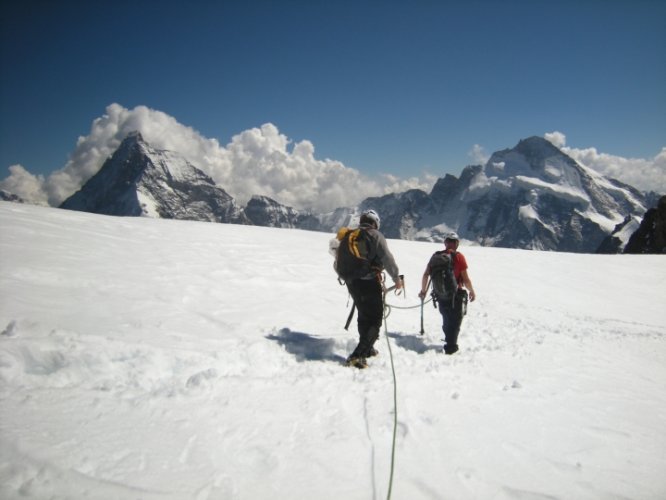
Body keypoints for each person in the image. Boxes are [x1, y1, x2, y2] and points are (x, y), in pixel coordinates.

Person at [343, 209, 403, 368]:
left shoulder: (350, 235)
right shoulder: (375, 235)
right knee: (375, 320)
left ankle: (367, 348)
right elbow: (387, 259)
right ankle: (358, 355)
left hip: (352, 283)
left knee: (363, 315)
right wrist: (396, 278)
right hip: (369, 282)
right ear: (375, 222)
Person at [418, 232, 476, 354]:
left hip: (440, 294)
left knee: (446, 318)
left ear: (445, 243)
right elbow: (465, 279)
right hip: (456, 295)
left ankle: (449, 340)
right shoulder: (459, 257)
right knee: (455, 321)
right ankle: (451, 348)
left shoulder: (436, 256)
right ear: (456, 243)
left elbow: (426, 275)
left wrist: (423, 291)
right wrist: (471, 291)